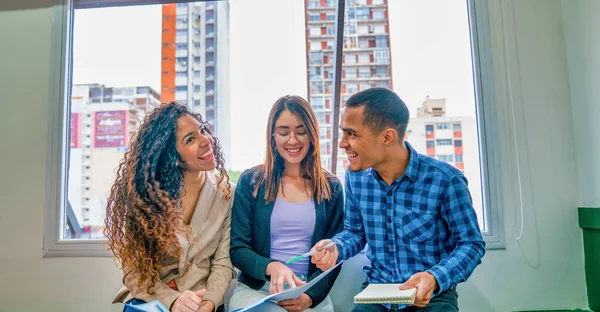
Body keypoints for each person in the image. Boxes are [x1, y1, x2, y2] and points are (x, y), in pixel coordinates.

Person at [310, 88, 485, 312]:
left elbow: (471, 243)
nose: (342, 143)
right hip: (377, 296)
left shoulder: (446, 180)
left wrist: (434, 277)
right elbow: (355, 232)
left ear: (387, 137)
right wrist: (336, 247)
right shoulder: (355, 178)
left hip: (432, 298)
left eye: (352, 134)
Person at [105, 102, 235, 312]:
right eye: (190, 139)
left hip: (202, 300)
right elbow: (133, 272)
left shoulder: (228, 194)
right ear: (172, 156)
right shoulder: (145, 197)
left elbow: (223, 261)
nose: (206, 140)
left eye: (202, 130)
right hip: (152, 298)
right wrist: (173, 300)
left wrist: (210, 301)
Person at [227, 95, 345, 312]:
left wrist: (310, 297)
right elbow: (238, 249)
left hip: (308, 292)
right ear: (273, 136)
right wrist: (272, 267)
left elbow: (336, 254)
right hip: (257, 290)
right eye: (283, 132)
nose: (293, 140)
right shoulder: (251, 181)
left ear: (312, 134)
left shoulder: (332, 187)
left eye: (301, 131)